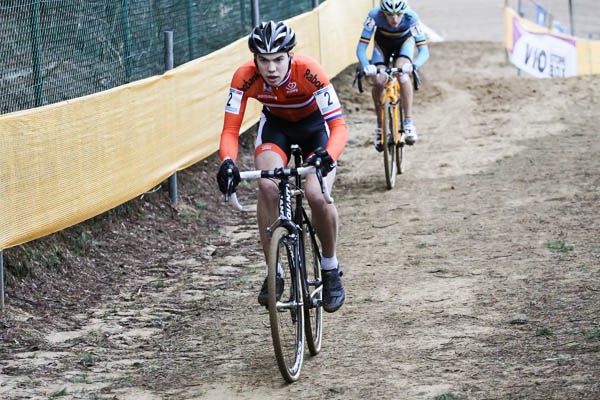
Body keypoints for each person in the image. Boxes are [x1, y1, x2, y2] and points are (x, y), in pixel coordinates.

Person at [216, 21, 348, 313]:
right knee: (267, 185)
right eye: (264, 60)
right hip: (276, 128)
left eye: (278, 59)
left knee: (316, 194)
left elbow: (338, 126)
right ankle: (273, 271)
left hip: (317, 130)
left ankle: (330, 267)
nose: (271, 68)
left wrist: (328, 154)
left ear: (290, 55)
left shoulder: (310, 71)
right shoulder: (244, 77)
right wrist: (227, 162)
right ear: (255, 61)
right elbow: (229, 131)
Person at [356, 0, 429, 150]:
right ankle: (380, 126)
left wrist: (414, 66)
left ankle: (408, 122)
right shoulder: (374, 15)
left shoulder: (411, 17)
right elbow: (361, 48)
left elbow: (424, 51)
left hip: (404, 43)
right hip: (382, 45)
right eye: (390, 15)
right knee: (378, 80)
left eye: (399, 14)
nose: (395, 19)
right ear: (383, 13)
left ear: (405, 12)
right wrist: (366, 66)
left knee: (402, 74)